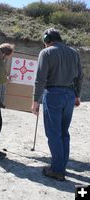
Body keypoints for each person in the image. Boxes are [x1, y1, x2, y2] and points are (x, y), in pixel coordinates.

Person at [31, 28, 83, 181]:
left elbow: (40, 79)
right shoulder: (74, 53)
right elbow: (80, 77)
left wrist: (35, 100)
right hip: (70, 95)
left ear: (47, 39)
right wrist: (78, 95)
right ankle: (61, 165)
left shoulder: (46, 53)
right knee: (63, 132)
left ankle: (57, 170)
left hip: (53, 95)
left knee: (53, 133)